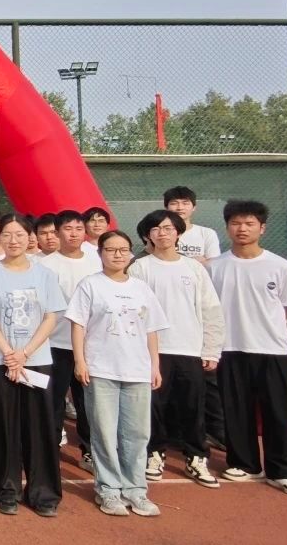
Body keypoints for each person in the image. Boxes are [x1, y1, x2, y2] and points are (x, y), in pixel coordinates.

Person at [205, 200, 287, 497]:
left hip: (271, 350)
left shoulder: (281, 267)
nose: (242, 229)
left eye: (249, 223)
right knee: (236, 410)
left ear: (262, 228)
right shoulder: (215, 268)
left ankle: (285, 471)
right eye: (236, 223)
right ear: (227, 227)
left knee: (280, 411)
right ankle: (244, 463)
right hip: (229, 349)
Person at [68, 230, 169, 517]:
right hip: (101, 369)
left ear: (131, 253)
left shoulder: (141, 288)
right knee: (104, 432)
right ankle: (109, 489)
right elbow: (78, 325)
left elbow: (151, 330)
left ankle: (136, 489)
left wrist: (154, 365)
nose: (117, 254)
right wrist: (80, 361)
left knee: (137, 433)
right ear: (100, 253)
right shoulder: (90, 285)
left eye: (123, 249)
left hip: (137, 370)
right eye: (111, 249)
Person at [0, 214, 67, 517]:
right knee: (2, 426)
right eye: (7, 235)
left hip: (36, 361)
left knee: (39, 428)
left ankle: (43, 493)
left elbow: (51, 316)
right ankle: (6, 490)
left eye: (20, 235)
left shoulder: (45, 274)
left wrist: (25, 353)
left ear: (30, 238)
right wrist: (9, 353)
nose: (13, 241)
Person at [129, 210, 224, 488]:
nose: (162, 233)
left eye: (168, 228)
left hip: (189, 348)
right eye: (156, 229)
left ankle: (196, 457)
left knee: (192, 406)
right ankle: (154, 453)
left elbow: (211, 309)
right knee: (153, 406)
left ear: (178, 233)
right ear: (147, 235)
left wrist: (211, 349)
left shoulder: (194, 268)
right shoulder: (140, 268)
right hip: (152, 351)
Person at [39, 209, 101, 470]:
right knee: (53, 401)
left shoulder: (96, 260)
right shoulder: (46, 265)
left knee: (88, 402)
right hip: (55, 344)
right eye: (67, 228)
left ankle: (89, 451)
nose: (73, 234)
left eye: (78, 228)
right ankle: (50, 448)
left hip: (91, 345)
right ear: (57, 232)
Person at [164, 186, 220, 261]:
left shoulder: (207, 233)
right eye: (174, 203)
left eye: (185, 203)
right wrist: (195, 260)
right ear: (166, 208)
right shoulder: (159, 233)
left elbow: (213, 262)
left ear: (194, 207)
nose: (180, 208)